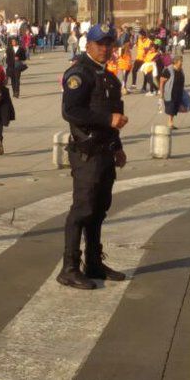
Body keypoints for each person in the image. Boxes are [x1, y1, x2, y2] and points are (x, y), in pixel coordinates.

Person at [58, 26, 127, 290]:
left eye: (109, 44)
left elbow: (114, 115)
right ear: (89, 45)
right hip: (86, 153)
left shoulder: (108, 77)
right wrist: (107, 119)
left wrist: (117, 145)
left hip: (105, 151)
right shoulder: (80, 73)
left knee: (99, 210)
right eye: (100, 44)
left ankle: (94, 262)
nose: (106, 48)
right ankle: (69, 267)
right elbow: (71, 111)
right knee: (82, 209)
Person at [160, 55, 186, 130]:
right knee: (171, 108)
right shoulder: (168, 70)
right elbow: (162, 81)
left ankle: (171, 122)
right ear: (176, 62)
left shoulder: (180, 70)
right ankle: (170, 123)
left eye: (182, 61)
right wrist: (161, 92)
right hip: (169, 92)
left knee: (174, 108)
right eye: (180, 61)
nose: (182, 63)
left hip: (178, 92)